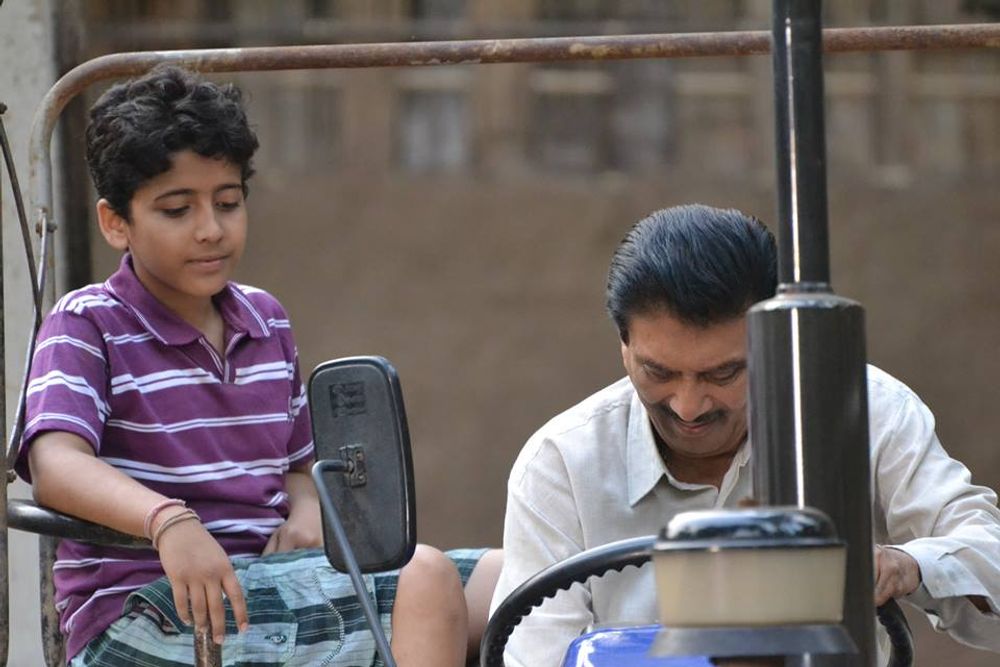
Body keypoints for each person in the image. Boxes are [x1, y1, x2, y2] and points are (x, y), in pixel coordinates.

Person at [15, 64, 502, 667]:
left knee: (517, 581)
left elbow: (298, 466)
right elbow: (55, 465)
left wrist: (306, 513)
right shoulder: (88, 323)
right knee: (422, 581)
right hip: (146, 610)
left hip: (274, 582)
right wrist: (167, 522)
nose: (210, 230)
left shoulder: (265, 320)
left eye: (227, 202)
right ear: (116, 222)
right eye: (177, 210)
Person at [489, 204, 1000, 666]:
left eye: (723, 373)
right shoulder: (561, 463)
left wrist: (907, 565)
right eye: (658, 372)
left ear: (777, 345)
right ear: (624, 347)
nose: (688, 406)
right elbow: (536, 655)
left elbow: (989, 569)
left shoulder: (863, 412)